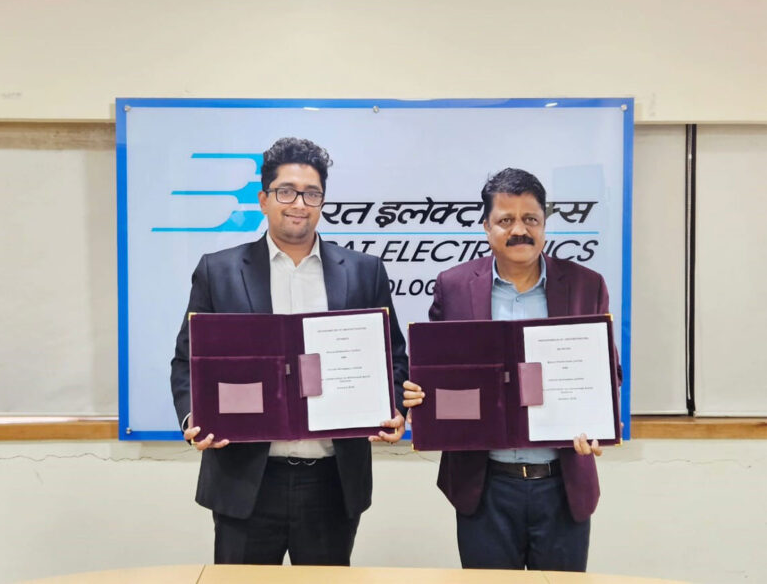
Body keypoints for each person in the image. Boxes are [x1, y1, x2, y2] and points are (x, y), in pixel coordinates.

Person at [170, 137, 408, 566]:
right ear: (263, 200)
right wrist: (194, 417)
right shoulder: (219, 271)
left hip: (332, 482)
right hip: (245, 479)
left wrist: (393, 409)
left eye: (311, 193)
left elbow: (392, 357)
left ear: (322, 202)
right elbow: (188, 361)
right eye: (286, 192)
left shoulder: (363, 272)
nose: (299, 203)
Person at [403, 167, 618, 571]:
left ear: (544, 223)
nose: (520, 230)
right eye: (506, 220)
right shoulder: (453, 285)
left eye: (530, 219)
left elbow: (608, 371)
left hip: (563, 485)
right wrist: (420, 395)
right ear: (487, 227)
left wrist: (599, 418)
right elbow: (437, 371)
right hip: (484, 486)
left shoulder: (586, 285)